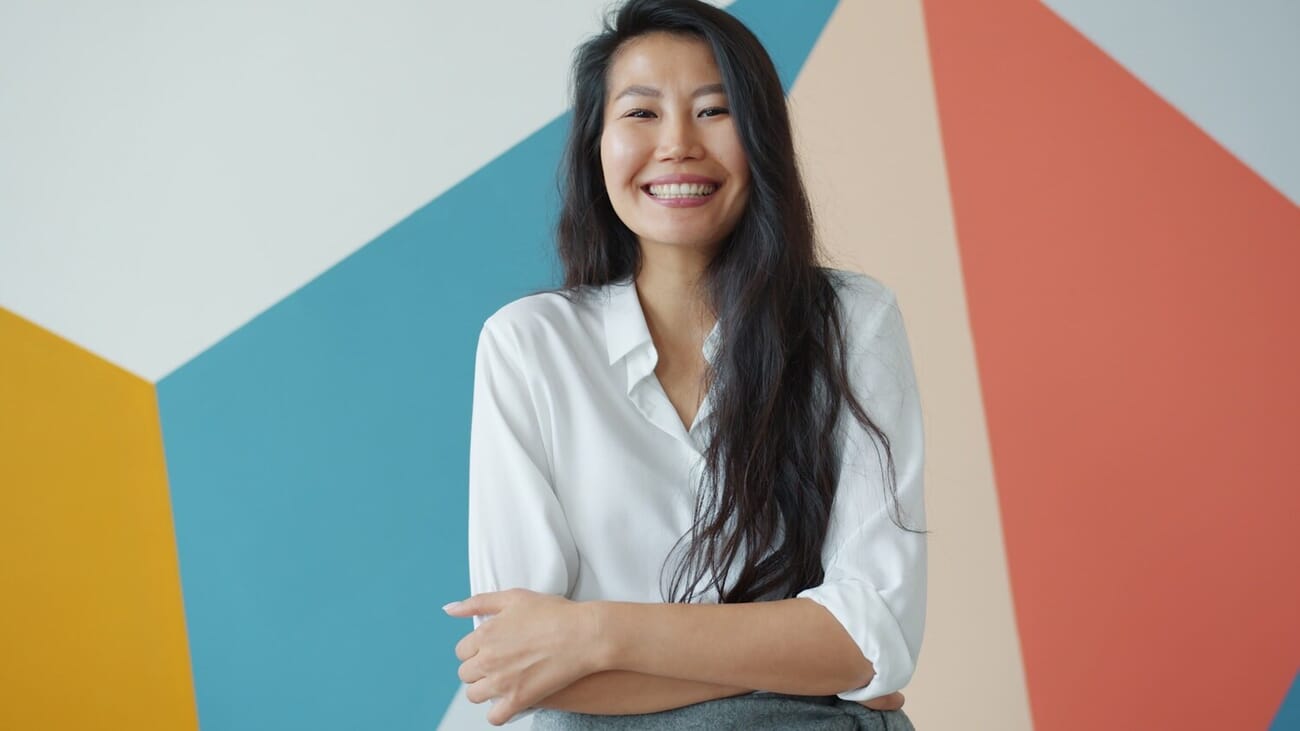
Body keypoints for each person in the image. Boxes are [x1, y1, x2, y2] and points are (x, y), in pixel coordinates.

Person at [443, 0, 926, 727]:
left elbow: (873, 633)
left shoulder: (851, 322)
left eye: (713, 111)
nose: (676, 145)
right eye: (640, 114)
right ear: (594, 146)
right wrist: (800, 670)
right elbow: (520, 666)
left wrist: (597, 631)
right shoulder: (529, 345)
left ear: (761, 138)